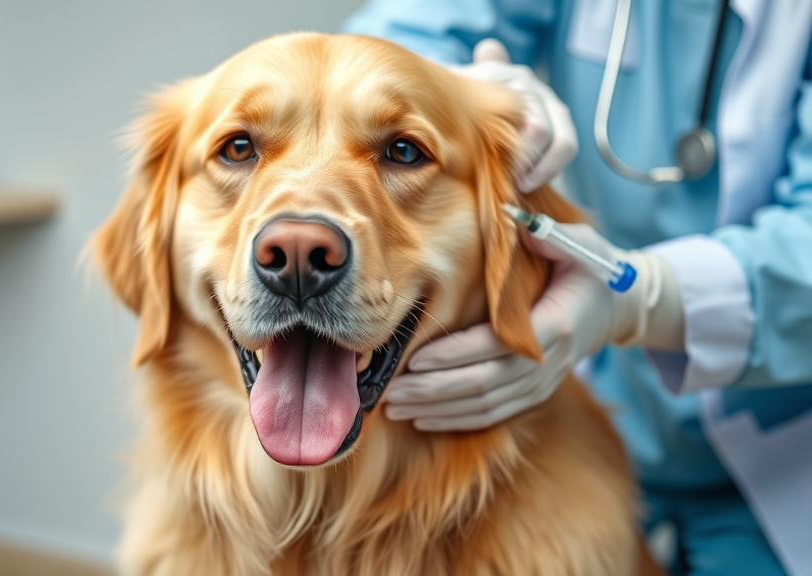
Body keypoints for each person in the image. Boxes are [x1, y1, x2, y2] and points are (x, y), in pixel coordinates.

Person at [342, 2, 812, 575]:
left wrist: (640, 299)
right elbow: (396, 37)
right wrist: (456, 92)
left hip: (790, 452)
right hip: (604, 404)